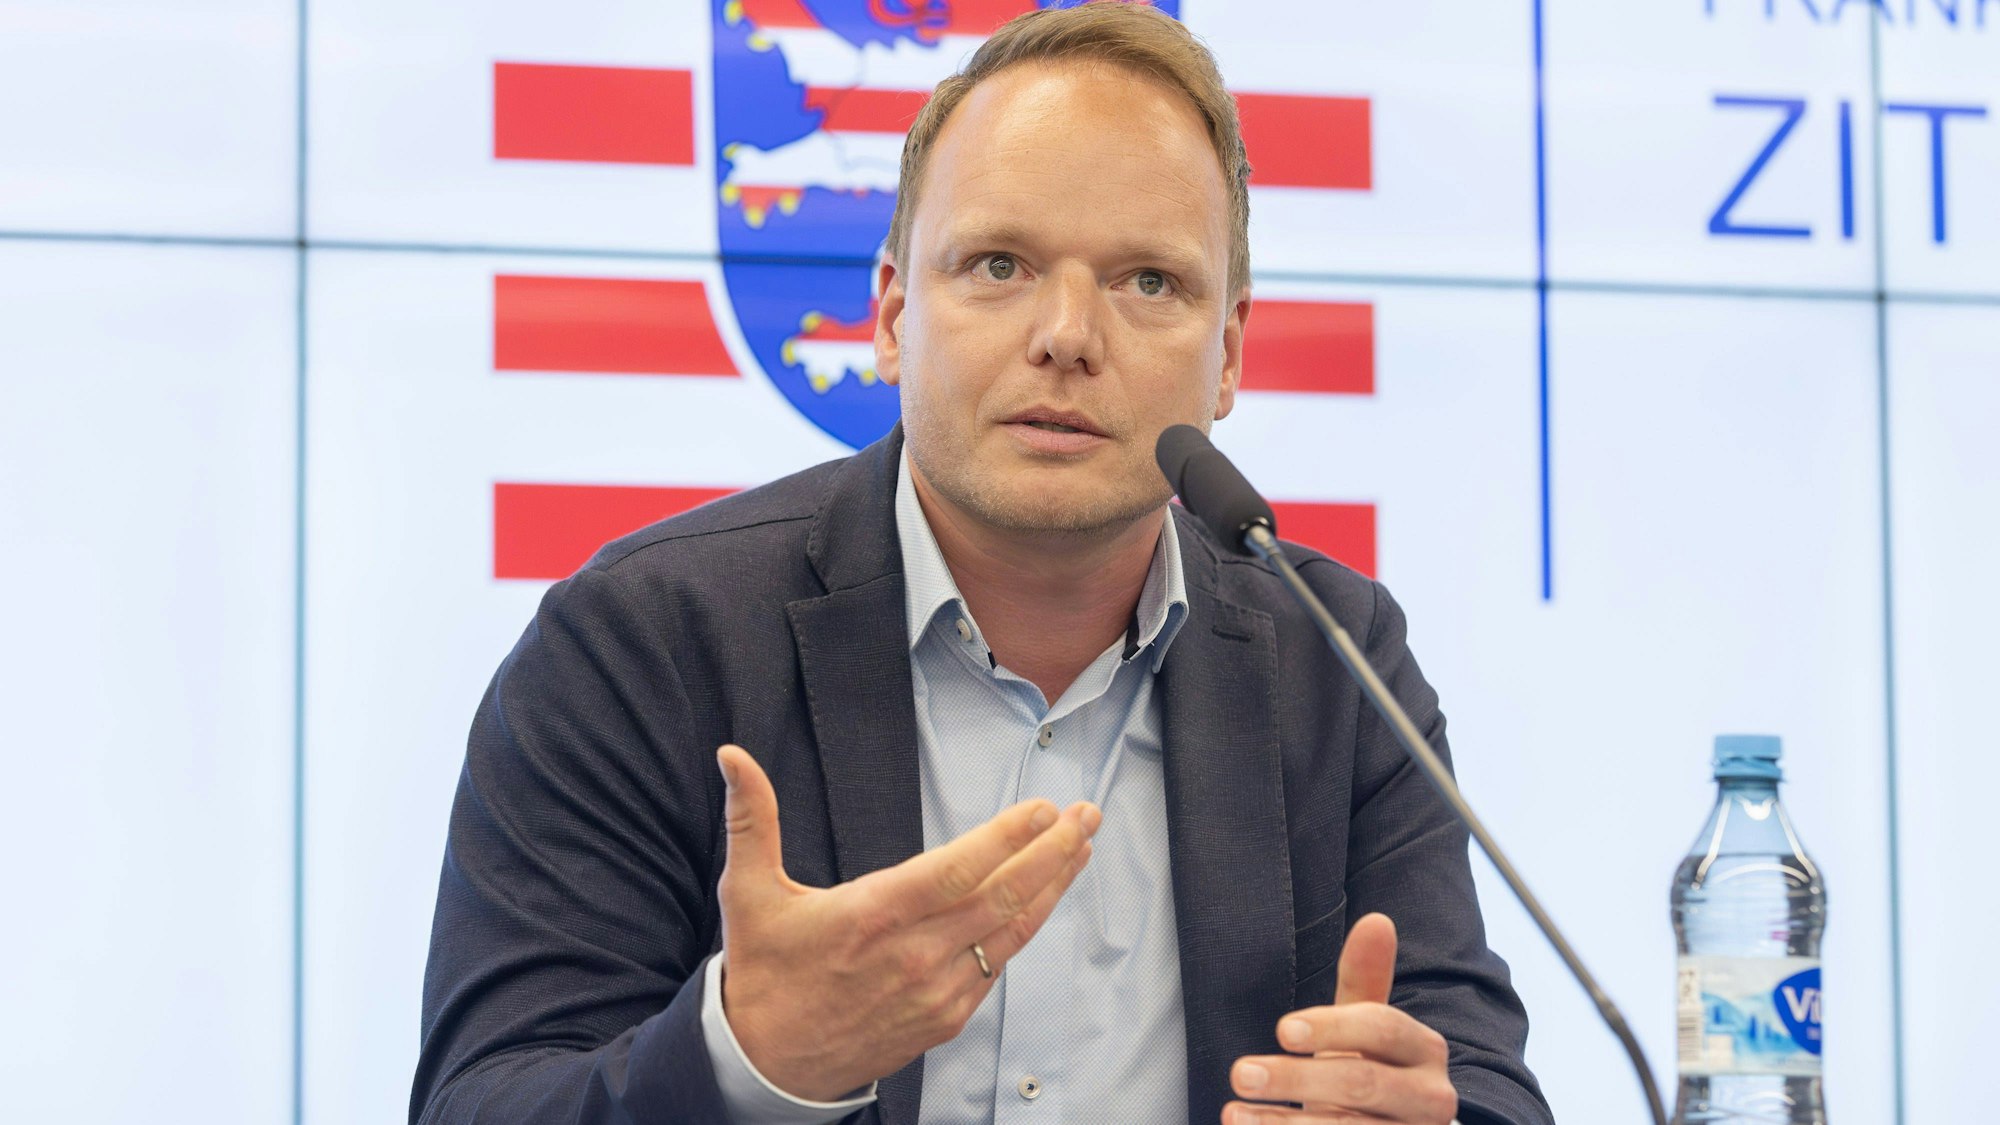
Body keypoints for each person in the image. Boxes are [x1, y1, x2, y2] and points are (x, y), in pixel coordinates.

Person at [411, 4, 1551, 1124]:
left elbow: (1481, 1082)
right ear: (894, 316)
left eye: (1146, 282)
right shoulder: (640, 641)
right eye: (998, 265)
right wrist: (746, 1059)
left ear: (1228, 359)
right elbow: (485, 1099)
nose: (1065, 333)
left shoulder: (1334, 659)